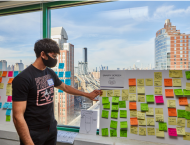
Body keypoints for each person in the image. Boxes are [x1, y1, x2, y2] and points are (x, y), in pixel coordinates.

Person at [12, 38, 102, 145]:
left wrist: (87, 94)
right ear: (43, 54)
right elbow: (18, 117)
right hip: (33, 133)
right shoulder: (23, 79)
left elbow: (65, 88)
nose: (55, 59)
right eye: (53, 56)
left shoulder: (49, 72)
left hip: (51, 130)